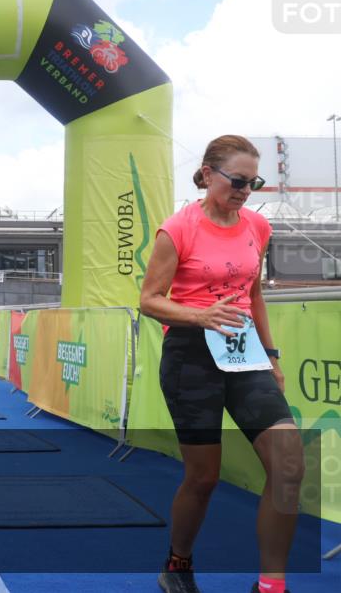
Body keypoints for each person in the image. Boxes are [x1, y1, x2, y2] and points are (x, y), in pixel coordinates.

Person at [140, 135, 303, 593]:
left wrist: (272, 357)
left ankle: (271, 585)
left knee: (289, 464)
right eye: (238, 181)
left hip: (245, 353)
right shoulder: (178, 229)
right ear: (209, 175)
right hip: (190, 354)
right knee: (203, 477)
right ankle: (178, 563)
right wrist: (200, 316)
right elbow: (148, 301)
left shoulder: (257, 226)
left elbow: (254, 295)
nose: (246, 191)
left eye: (254, 183)